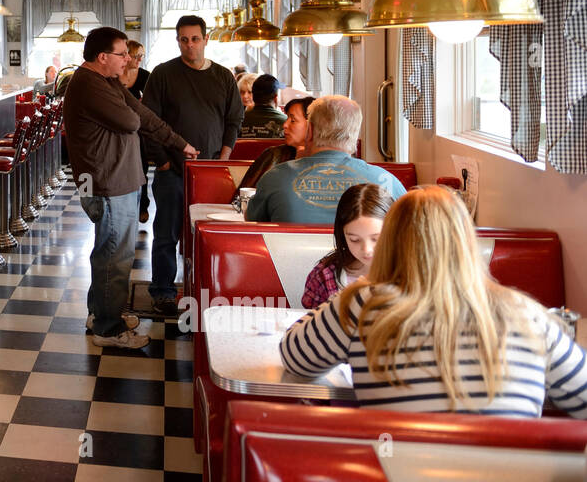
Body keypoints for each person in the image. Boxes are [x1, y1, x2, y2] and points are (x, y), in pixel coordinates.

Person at [281, 187, 587, 418]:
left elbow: (294, 356)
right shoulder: (528, 315)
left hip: (397, 474)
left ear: (390, 240)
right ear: (467, 241)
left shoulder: (362, 304)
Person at [63, 27, 197, 347]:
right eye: (123, 54)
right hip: (106, 182)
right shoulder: (87, 84)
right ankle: (108, 330)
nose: (129, 60)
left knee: (109, 252)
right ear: (103, 57)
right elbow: (131, 122)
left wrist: (180, 144)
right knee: (115, 256)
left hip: (116, 179)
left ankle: (101, 313)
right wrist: (131, 107)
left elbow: (143, 115)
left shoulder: (107, 81)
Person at [142, 16, 244, 316]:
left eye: (195, 39)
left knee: (206, 234)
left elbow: (234, 120)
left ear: (205, 39)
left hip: (212, 172)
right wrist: (161, 162)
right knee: (166, 234)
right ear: (177, 41)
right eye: (184, 39)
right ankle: (162, 291)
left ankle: (203, 288)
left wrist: (223, 159)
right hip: (171, 171)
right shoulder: (163, 74)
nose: (190, 45)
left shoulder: (224, 76)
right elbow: (149, 122)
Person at [246, 95, 404, 223]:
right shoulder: (386, 181)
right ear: (355, 134)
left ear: (310, 131)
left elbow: (252, 220)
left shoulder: (275, 177)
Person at [300, 183, 395, 308]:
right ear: (343, 236)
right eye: (354, 240)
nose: (367, 250)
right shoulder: (324, 276)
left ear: (394, 231)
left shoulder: (412, 272)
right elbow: (310, 321)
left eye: (376, 239)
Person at [235, 95, 314, 194]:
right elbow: (245, 195)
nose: (285, 125)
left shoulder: (325, 161)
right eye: (287, 118)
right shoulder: (274, 155)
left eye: (293, 120)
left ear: (311, 126)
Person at [121, 39, 155, 223]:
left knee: (142, 167)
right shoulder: (115, 75)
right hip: (118, 128)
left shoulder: (144, 76)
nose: (140, 59)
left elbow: (151, 103)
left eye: (142, 55)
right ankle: (124, 207)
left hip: (139, 129)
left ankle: (143, 204)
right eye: (137, 56)